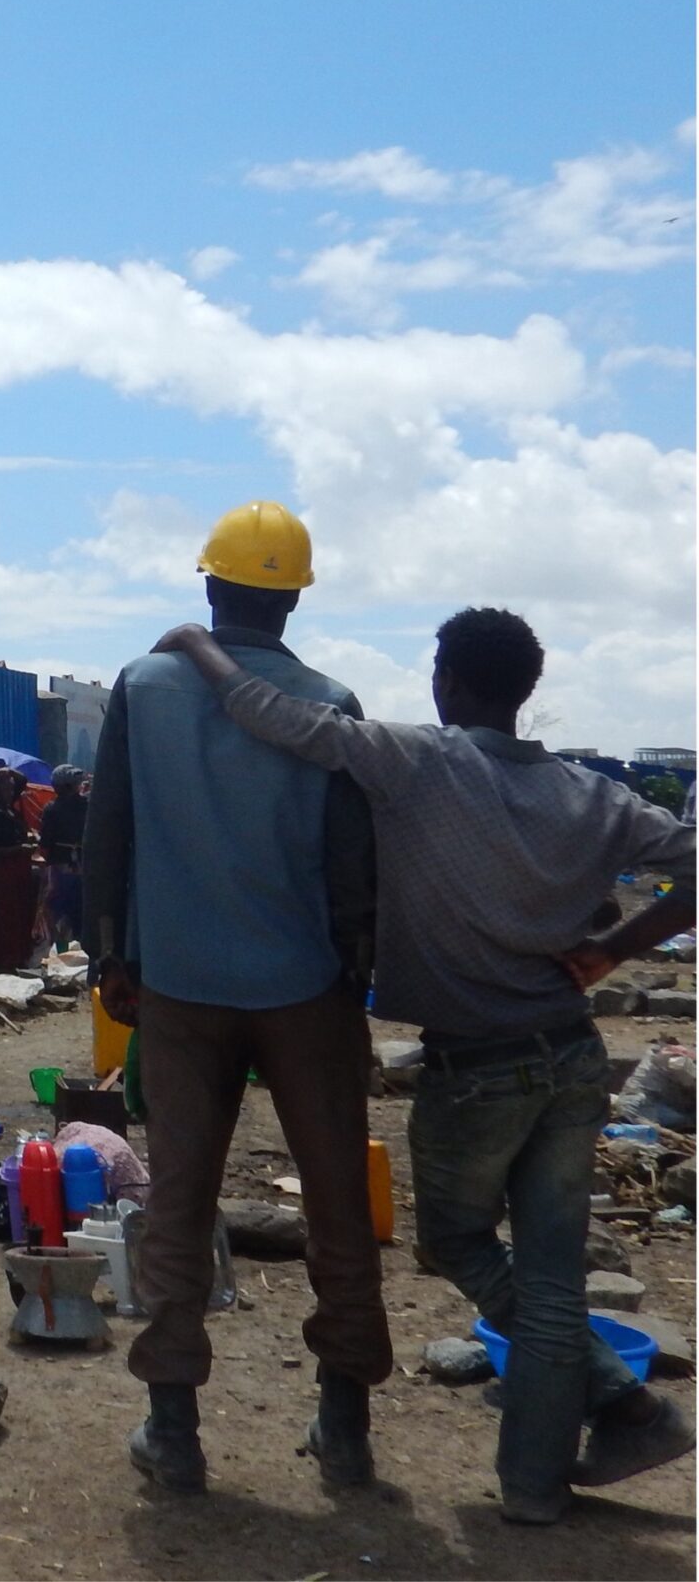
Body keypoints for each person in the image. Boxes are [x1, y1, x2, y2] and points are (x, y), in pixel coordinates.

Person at [154, 606, 698, 1523]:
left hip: (476, 1065)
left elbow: (275, 715)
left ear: (446, 683)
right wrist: (617, 948)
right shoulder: (593, 798)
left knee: (455, 1244)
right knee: (553, 1277)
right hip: (573, 1060)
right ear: (525, 691)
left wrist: (195, 643)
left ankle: (622, 1399)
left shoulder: (419, 762)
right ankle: (539, 1482)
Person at [82, 499, 387, 1496]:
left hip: (179, 987)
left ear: (209, 585)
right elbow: (354, 862)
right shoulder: (331, 701)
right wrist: (352, 977)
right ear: (293, 599)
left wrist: (110, 957)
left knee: (178, 1200)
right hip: (306, 991)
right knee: (337, 1202)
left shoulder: (144, 686)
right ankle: (344, 1426)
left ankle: (173, 1429)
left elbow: (107, 835)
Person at [0, 767, 43, 971]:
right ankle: (6, 961)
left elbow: (22, 781)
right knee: (8, 917)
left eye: (12, 789)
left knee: (25, 914)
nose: (10, 792)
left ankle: (22, 957)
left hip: (21, 869)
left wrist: (8, 771)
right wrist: (19, 848)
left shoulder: (13, 811)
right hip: (5, 870)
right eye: (6, 788)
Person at [40, 765, 91, 950]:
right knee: (81, 910)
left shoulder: (52, 809)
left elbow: (45, 844)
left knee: (56, 910)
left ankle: (60, 949)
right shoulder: (89, 805)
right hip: (85, 865)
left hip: (60, 867)